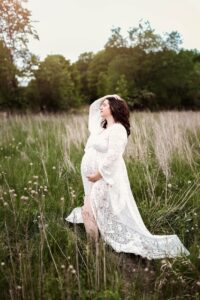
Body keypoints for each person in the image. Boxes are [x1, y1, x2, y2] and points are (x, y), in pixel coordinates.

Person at [66, 94, 190, 259]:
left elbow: (113, 156)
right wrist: (110, 97)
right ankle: (94, 248)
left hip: (104, 178)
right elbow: (93, 111)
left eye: (105, 105)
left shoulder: (118, 129)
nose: (101, 107)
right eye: (101, 105)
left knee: (88, 211)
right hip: (92, 180)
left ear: (114, 108)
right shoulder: (103, 130)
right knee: (92, 211)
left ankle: (92, 252)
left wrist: (98, 174)